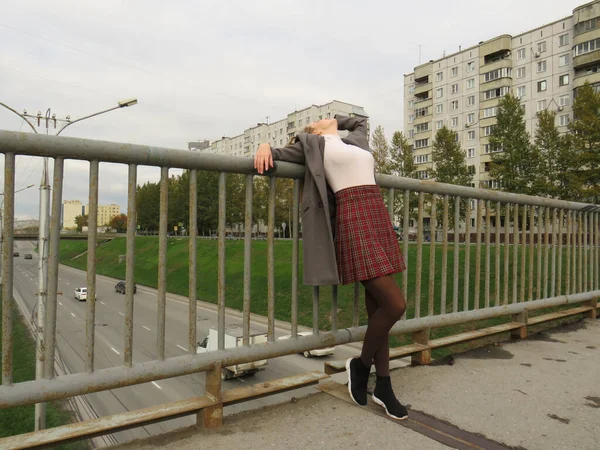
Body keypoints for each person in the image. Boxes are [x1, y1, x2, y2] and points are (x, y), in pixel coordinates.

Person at [254, 115, 408, 420]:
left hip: (376, 212)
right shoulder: (312, 143)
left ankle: (384, 385)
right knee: (395, 305)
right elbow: (276, 155)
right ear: (313, 129)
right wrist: (263, 143)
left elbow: (362, 121)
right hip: (352, 217)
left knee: (379, 305)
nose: (326, 116)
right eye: (320, 118)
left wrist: (336, 119)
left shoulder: (355, 139)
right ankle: (361, 366)